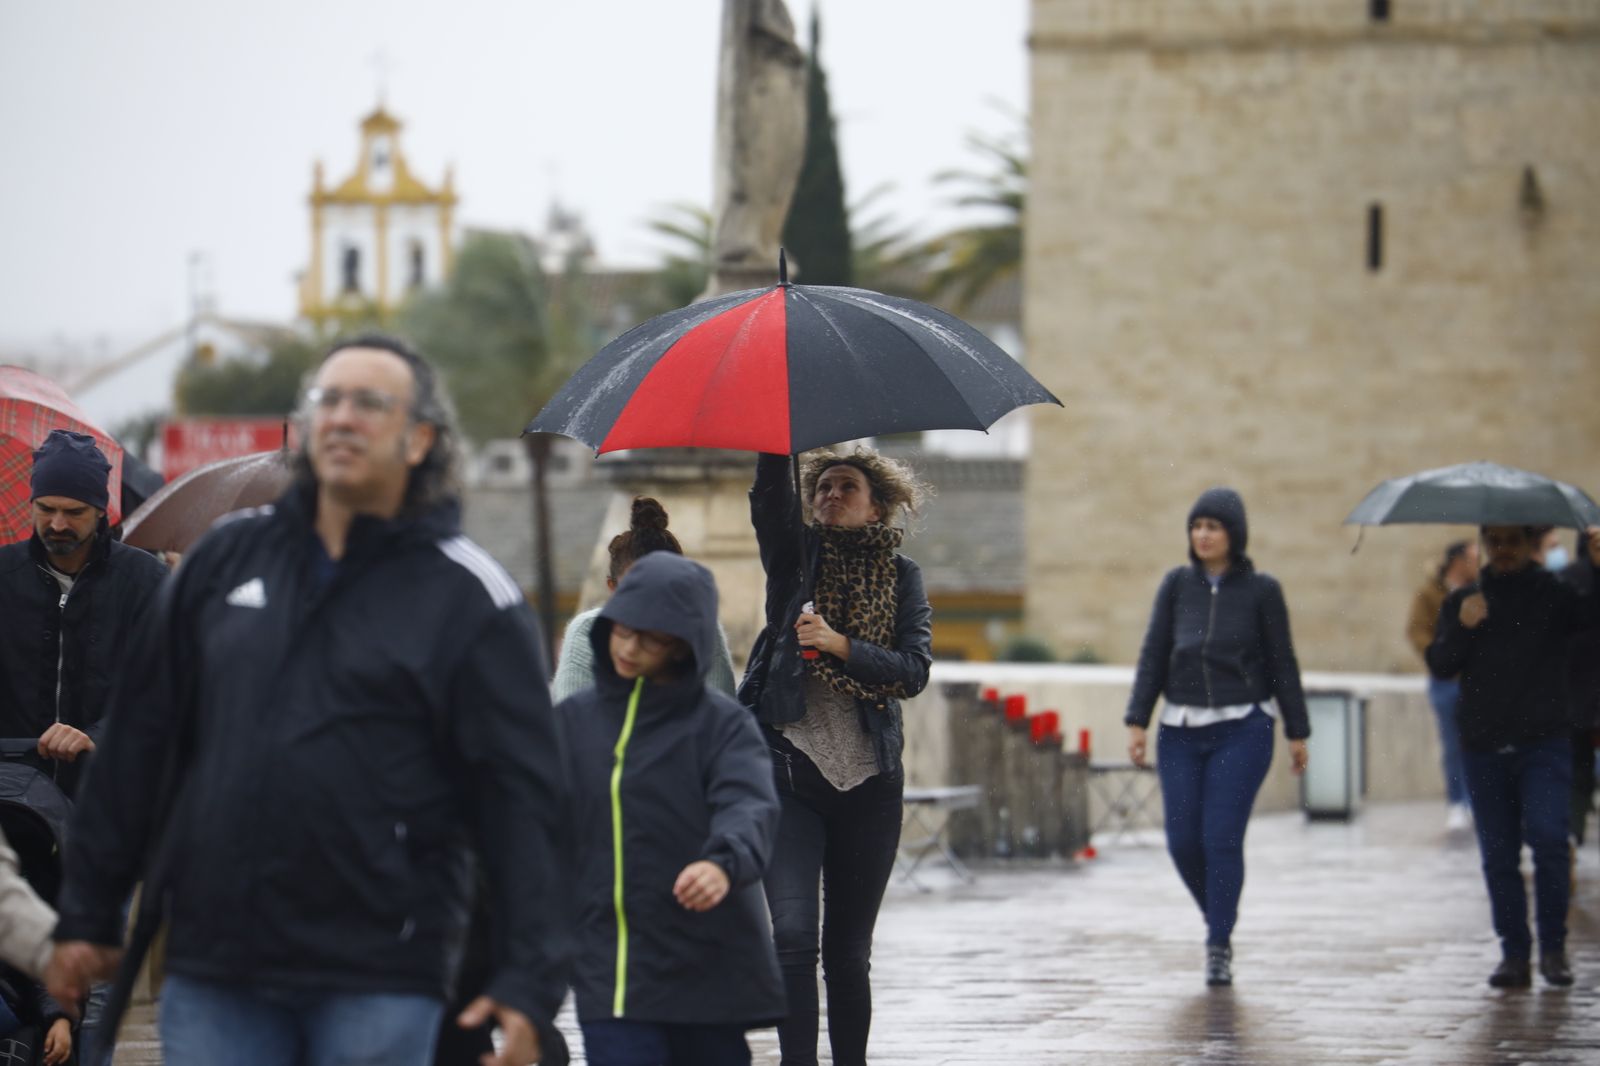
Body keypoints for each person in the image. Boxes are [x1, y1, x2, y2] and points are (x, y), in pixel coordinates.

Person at [45, 334, 573, 1066]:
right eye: (329, 399)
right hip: (217, 965)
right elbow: (140, 743)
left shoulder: (472, 596)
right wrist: (87, 910)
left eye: (371, 402)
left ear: (420, 439)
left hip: (384, 971)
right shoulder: (222, 562)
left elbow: (524, 802)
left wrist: (529, 980)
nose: (343, 417)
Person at [742, 448, 933, 1066]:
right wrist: (775, 443)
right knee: (794, 938)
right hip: (788, 771)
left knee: (849, 953)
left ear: (876, 506)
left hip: (871, 781)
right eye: (822, 486)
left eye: (846, 487)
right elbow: (770, 506)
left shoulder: (902, 576)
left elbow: (913, 670)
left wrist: (839, 645)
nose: (830, 495)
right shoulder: (794, 558)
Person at [560, 551, 783, 1066]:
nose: (629, 648)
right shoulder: (571, 723)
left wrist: (722, 863)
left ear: (684, 644)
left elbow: (749, 805)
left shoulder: (723, 726)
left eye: (651, 639)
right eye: (622, 631)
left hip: (708, 969)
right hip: (612, 975)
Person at [1125, 487, 1311, 988]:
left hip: (1242, 728)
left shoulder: (1262, 590)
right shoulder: (1176, 585)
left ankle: (1217, 944)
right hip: (1180, 730)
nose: (1202, 535)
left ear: (1234, 534)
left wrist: (1297, 731)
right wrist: (1137, 719)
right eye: (1196, 526)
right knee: (1183, 842)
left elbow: (1282, 663)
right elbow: (1154, 653)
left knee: (1221, 838)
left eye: (1213, 526)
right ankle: (1219, 918)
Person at [1429, 523, 1600, 989]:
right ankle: (1514, 953)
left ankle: (1554, 948)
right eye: (1495, 541)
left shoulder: (1555, 593)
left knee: (1549, 839)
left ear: (1529, 544)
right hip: (1484, 746)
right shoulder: (1465, 600)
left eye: (1512, 541)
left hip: (1544, 741)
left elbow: (1591, 618)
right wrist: (1462, 628)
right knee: (1499, 854)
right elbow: (1440, 664)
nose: (1502, 550)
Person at [0, 429, 168, 798]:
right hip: (12, 801)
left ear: (101, 510)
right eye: (46, 509)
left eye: (74, 512)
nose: (58, 524)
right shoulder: (4, 575)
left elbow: (168, 685)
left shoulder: (146, 582)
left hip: (112, 795)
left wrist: (98, 736)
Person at [551, 496, 736, 702]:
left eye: (659, 592)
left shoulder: (701, 632)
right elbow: (572, 716)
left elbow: (719, 711)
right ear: (613, 589)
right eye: (633, 592)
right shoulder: (586, 632)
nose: (631, 648)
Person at [1406, 540, 1479, 830]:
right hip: (1445, 681)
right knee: (1452, 743)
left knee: (1476, 742)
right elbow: (1417, 630)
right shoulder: (1430, 593)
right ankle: (1457, 801)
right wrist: (1437, 656)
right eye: (1473, 558)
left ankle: (1474, 800)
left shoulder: (1480, 593)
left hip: (1474, 680)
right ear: (1458, 561)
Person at [1556, 530, 1600, 848]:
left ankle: (1575, 829)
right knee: (1579, 768)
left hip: (1577, 693)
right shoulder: (1570, 580)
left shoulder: (1567, 578)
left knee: (1579, 768)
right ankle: (1574, 831)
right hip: (1580, 691)